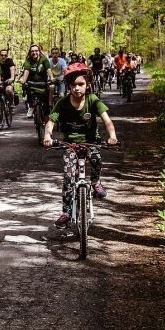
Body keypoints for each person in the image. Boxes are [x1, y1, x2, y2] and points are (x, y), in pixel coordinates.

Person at [42, 63, 118, 229]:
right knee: (69, 176)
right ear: (68, 86)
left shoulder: (93, 100)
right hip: (70, 144)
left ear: (88, 85)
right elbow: (51, 122)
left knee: (96, 159)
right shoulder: (62, 103)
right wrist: (48, 135)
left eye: (81, 84)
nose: (77, 88)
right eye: (73, 85)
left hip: (91, 141)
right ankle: (66, 212)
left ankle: (96, 182)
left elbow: (107, 120)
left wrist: (112, 136)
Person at [19, 44, 52, 119]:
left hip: (42, 83)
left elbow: (48, 69)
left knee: (46, 99)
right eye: (32, 51)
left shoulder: (44, 59)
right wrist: (23, 81)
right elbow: (26, 70)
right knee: (26, 87)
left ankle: (47, 116)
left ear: (39, 51)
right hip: (31, 83)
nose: (34, 53)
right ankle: (30, 106)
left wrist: (52, 77)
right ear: (30, 53)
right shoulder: (28, 61)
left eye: (36, 51)